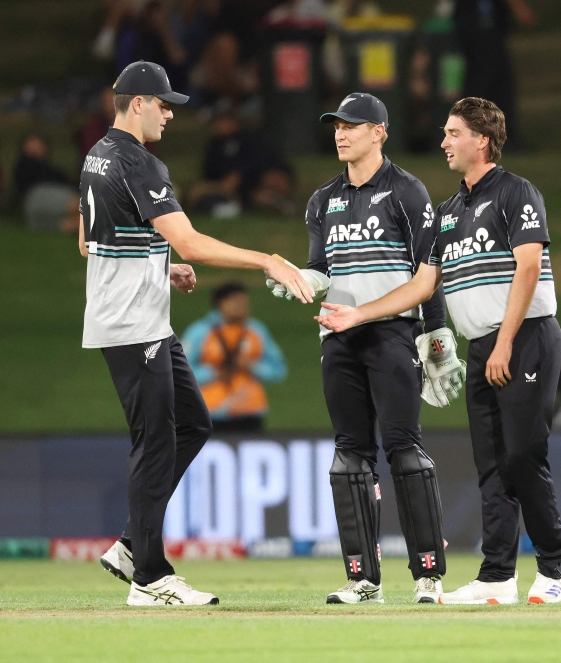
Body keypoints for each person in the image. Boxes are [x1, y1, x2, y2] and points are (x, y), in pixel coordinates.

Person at [319, 97, 561, 605]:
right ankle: (497, 576)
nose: (443, 142)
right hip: (482, 345)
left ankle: (553, 566)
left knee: (523, 455)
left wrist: (503, 343)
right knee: (492, 465)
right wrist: (359, 314)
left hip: (525, 338)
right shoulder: (449, 211)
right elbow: (420, 286)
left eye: (453, 133)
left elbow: (527, 269)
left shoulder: (515, 192)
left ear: (482, 139)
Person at [79, 60, 312, 607]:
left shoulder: (96, 156)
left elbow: (90, 242)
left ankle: (134, 545)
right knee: (155, 442)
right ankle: (150, 578)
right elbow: (192, 244)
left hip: (133, 317)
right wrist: (268, 260)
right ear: (137, 102)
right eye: (163, 104)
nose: (169, 114)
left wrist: (159, 267)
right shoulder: (140, 163)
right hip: (134, 323)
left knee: (193, 423)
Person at [268, 92, 465, 605]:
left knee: (405, 453)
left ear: (379, 132)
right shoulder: (321, 199)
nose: (340, 133)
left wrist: (437, 340)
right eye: (336, 125)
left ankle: (427, 576)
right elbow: (322, 268)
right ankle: (363, 579)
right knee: (349, 458)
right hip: (338, 338)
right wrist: (299, 278)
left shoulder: (407, 191)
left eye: (351, 125)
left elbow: (429, 274)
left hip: (393, 334)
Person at [181, 281, 288, 433]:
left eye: (245, 303)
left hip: (250, 411)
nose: (242, 307)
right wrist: (212, 373)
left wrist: (252, 366)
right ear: (221, 303)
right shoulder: (200, 332)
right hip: (211, 413)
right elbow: (179, 372)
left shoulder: (256, 330)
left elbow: (278, 370)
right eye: (236, 302)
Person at [452, 0, 536, 148]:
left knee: (502, 86)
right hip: (475, 43)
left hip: (494, 39)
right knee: (479, 88)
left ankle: (505, 136)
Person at [188, 110, 296, 216]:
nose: (221, 126)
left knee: (270, 184)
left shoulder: (251, 139)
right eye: (218, 122)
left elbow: (261, 162)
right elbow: (210, 171)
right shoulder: (214, 145)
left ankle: (279, 203)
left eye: (225, 122)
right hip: (230, 188)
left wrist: (239, 176)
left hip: (255, 182)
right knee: (198, 191)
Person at [14, 133, 80, 233]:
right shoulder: (25, 164)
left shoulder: (48, 168)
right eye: (32, 142)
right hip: (37, 197)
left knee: (75, 223)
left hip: (35, 215)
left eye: (38, 143)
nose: (36, 146)